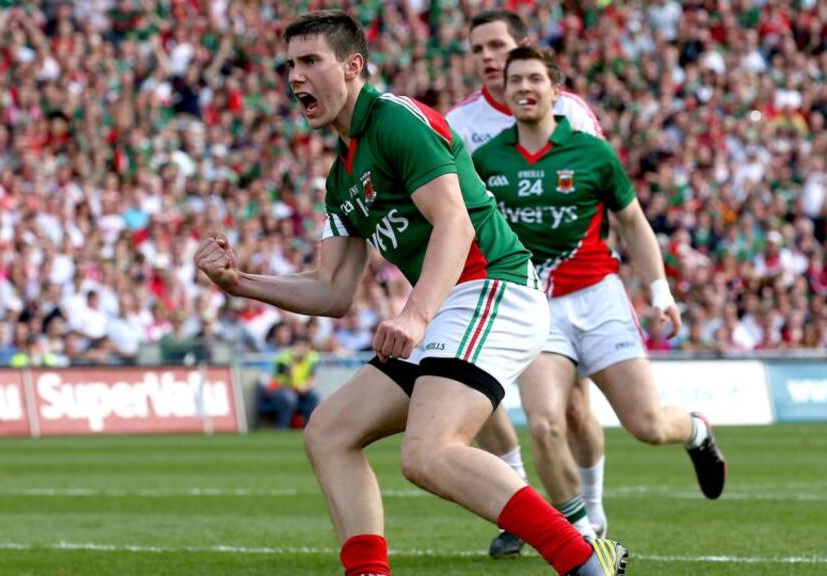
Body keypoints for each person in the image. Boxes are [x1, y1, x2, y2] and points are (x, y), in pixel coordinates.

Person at [195, 11, 627, 576]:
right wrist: (240, 283)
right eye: (289, 65)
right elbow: (332, 291)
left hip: (494, 287)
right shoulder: (341, 177)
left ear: (352, 67)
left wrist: (416, 315)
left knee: (427, 453)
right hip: (452, 305)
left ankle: (583, 556)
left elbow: (456, 223)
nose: (295, 77)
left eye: (310, 61)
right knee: (329, 432)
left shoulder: (396, 119)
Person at [471, 46, 727, 539]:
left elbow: (632, 221)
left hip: (597, 296)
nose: (524, 88)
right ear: (503, 91)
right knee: (546, 424)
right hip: (536, 305)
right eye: (514, 80)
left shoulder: (592, 152)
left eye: (534, 79)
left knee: (648, 425)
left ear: (555, 90)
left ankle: (696, 430)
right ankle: (584, 537)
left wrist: (660, 291)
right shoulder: (486, 160)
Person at [446, 9, 609, 556]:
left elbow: (595, 188)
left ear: (522, 51)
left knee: (571, 414)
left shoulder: (573, 114)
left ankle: (593, 510)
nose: (488, 59)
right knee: (476, 387)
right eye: (478, 50)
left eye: (497, 46)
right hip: (483, 278)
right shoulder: (459, 123)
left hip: (563, 280)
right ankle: (517, 500)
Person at [259, 335, 321, 429]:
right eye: (299, 346)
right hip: (281, 388)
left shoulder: (312, 358)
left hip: (301, 389)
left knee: (315, 395)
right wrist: (294, 359)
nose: (302, 349)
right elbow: (290, 376)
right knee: (289, 398)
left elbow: (313, 378)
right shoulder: (284, 357)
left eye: (305, 346)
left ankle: (309, 427)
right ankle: (282, 427)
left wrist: (305, 386)